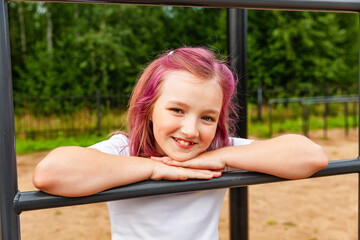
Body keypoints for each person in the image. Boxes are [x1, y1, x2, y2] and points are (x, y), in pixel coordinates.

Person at [33, 46, 328, 240]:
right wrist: (151, 169)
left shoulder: (215, 149)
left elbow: (311, 156)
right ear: (149, 108)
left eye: (208, 118)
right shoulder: (125, 150)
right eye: (177, 110)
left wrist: (224, 156)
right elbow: (51, 173)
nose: (190, 130)